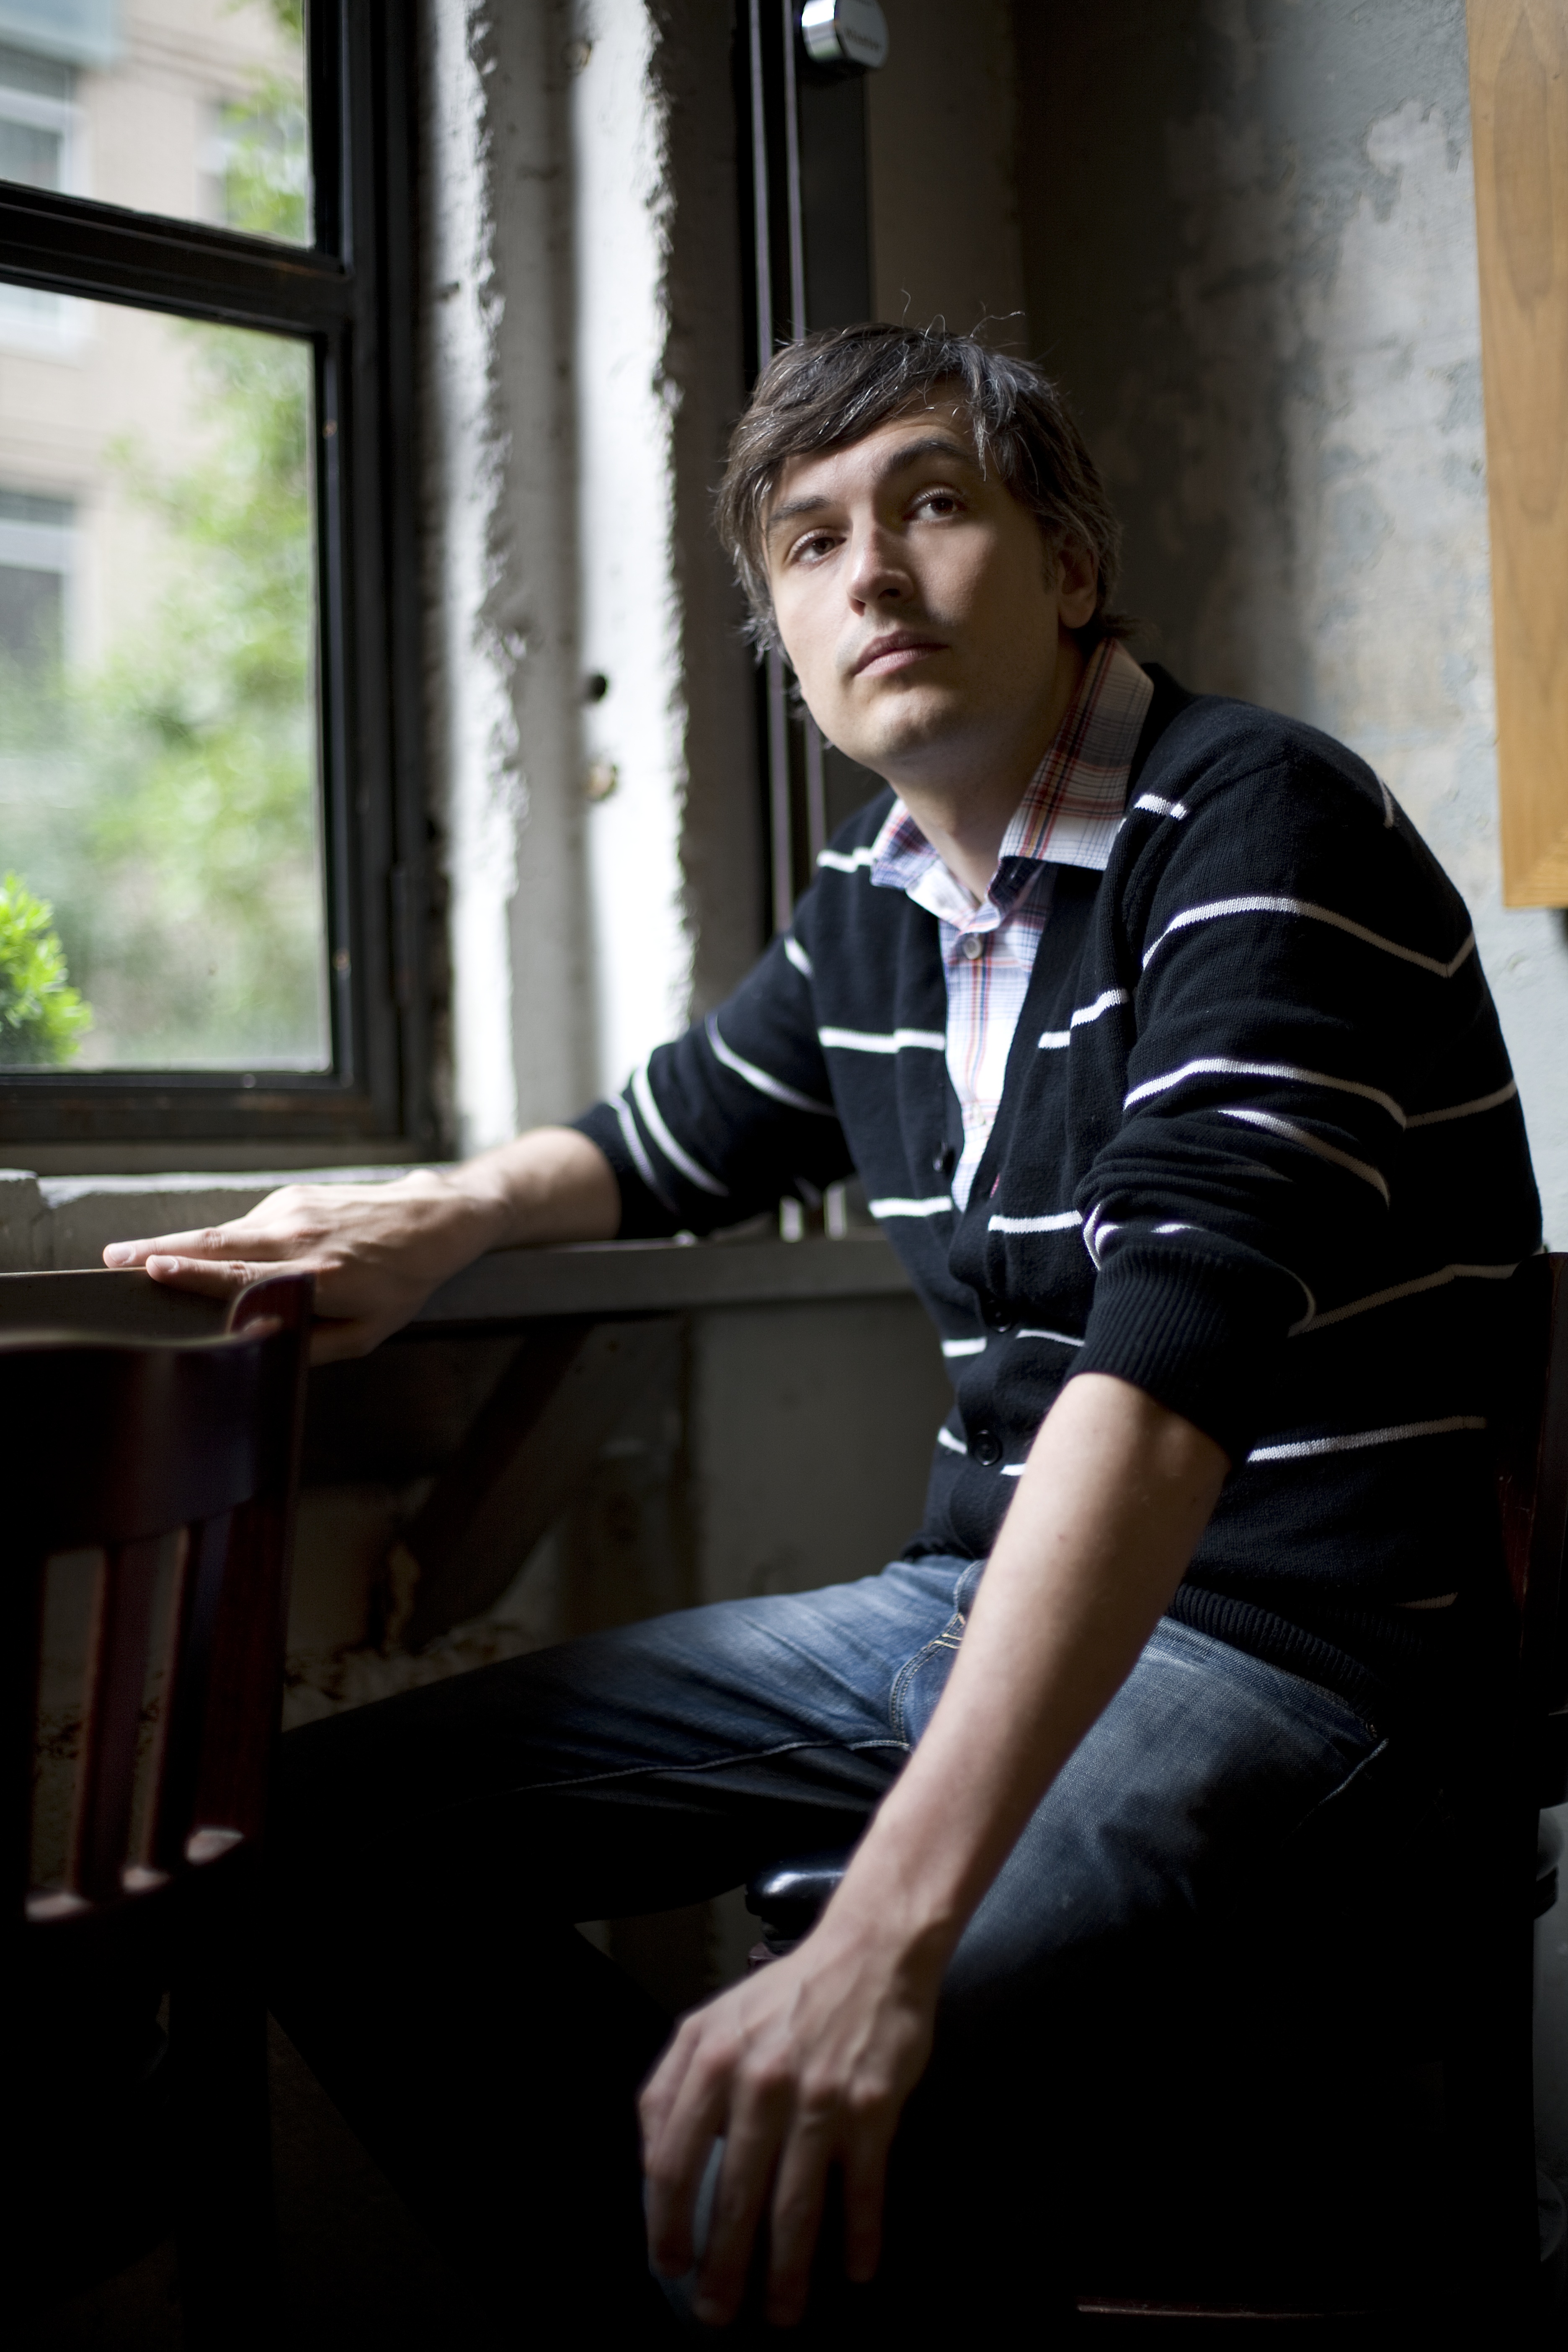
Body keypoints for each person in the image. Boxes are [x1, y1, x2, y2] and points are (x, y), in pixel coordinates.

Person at [106, 324, 1540, 2338]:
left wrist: (877, 1942)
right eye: (809, 540)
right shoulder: (881, 897)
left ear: (1067, 565)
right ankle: (691, 2285)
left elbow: (1164, 1386)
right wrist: (433, 1218)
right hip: (964, 1608)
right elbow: (670, 1137)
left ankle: (721, 2267)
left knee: (851, 2092)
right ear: (784, 635)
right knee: (306, 1841)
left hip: (1307, 1658)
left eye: (933, 505)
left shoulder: (1257, 821)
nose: (869, 572)